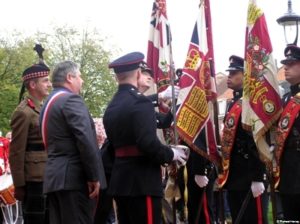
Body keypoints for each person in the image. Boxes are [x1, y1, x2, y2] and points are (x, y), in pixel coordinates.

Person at [103, 51, 188, 224]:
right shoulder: (141, 103)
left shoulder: (112, 106)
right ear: (138, 73)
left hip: (121, 181)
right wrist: (171, 154)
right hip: (142, 182)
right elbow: (147, 143)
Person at [39, 60, 106, 224]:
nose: (82, 81)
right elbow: (85, 139)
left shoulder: (49, 102)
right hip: (74, 179)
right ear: (70, 77)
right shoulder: (71, 100)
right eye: (80, 76)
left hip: (56, 178)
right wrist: (93, 176)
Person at [217, 55, 269, 223]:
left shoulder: (251, 102)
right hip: (234, 174)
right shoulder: (233, 102)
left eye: (234, 73)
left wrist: (257, 177)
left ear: (245, 75)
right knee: (237, 216)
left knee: (253, 218)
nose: (229, 77)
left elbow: (256, 141)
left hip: (248, 173)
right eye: (229, 73)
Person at [9, 47, 52, 224]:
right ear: (33, 85)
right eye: (45, 81)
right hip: (33, 179)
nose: (49, 84)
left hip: (47, 175)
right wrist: (19, 185)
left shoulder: (42, 107)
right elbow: (16, 151)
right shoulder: (24, 112)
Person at [274, 45, 300, 222]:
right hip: (287, 172)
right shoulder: (286, 99)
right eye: (285, 63)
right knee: (289, 217)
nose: (286, 67)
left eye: (291, 63)